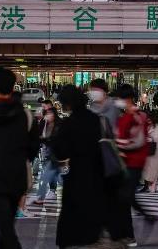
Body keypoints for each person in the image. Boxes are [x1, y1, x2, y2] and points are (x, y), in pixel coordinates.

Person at [0, 68, 39, 249]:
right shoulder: (26, 115)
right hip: (17, 175)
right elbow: (34, 147)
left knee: (5, 228)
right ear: (13, 87)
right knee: (6, 225)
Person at [51, 85, 111, 248]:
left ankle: (71, 241)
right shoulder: (94, 119)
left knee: (71, 212)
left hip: (77, 172)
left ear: (67, 103)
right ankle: (91, 237)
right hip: (96, 171)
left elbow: (60, 150)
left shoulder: (69, 123)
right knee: (92, 210)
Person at [116, 84, 154, 247]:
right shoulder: (133, 116)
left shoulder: (136, 117)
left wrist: (120, 147)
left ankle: (129, 234)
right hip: (130, 163)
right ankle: (127, 233)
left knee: (125, 197)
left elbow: (136, 141)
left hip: (133, 162)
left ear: (128, 99)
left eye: (120, 98)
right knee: (124, 198)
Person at [32, 105, 62, 205]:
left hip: (55, 154)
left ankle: (40, 197)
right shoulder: (45, 124)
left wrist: (45, 139)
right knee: (58, 177)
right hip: (48, 153)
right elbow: (39, 135)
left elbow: (55, 139)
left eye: (50, 113)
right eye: (47, 113)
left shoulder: (58, 125)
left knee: (45, 177)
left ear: (54, 114)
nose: (48, 115)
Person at [140, 111, 158, 193]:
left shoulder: (157, 127)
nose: (148, 120)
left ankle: (154, 184)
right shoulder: (146, 126)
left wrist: (148, 136)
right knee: (146, 168)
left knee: (154, 168)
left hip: (155, 150)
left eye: (149, 118)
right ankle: (146, 185)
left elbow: (156, 138)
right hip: (147, 149)